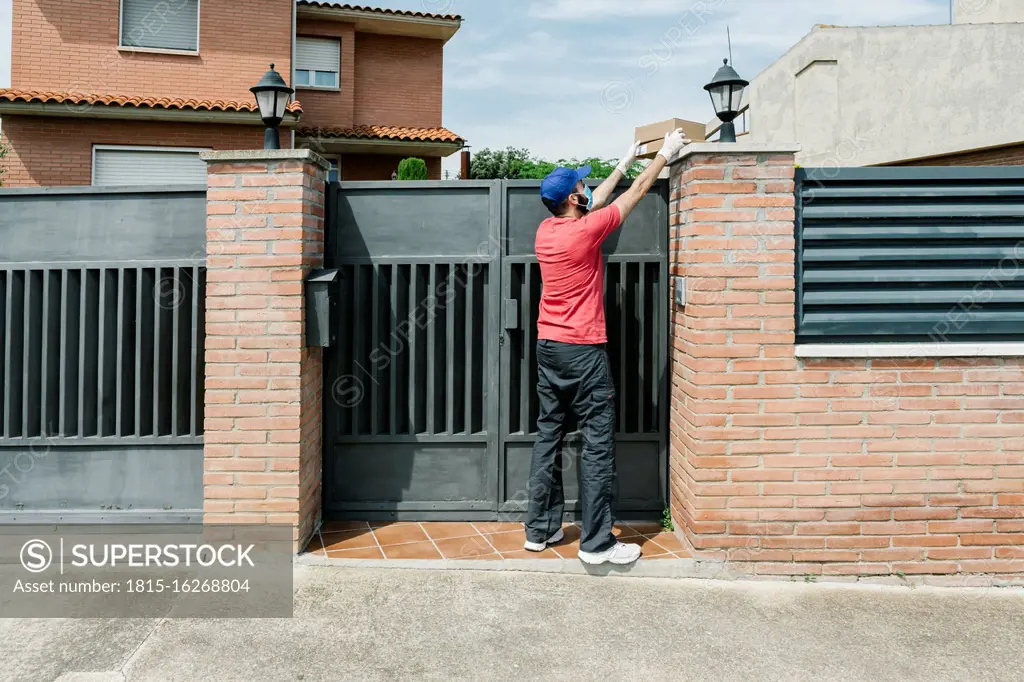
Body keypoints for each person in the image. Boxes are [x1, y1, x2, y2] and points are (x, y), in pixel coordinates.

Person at [523, 128, 691, 565]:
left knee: (549, 434)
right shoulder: (585, 231)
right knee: (597, 443)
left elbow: (595, 204)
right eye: (581, 184)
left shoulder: (546, 230)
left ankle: (539, 531)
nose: (586, 187)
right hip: (583, 351)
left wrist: (624, 160)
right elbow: (633, 196)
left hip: (549, 347)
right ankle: (597, 544)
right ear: (574, 199)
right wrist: (662, 157)